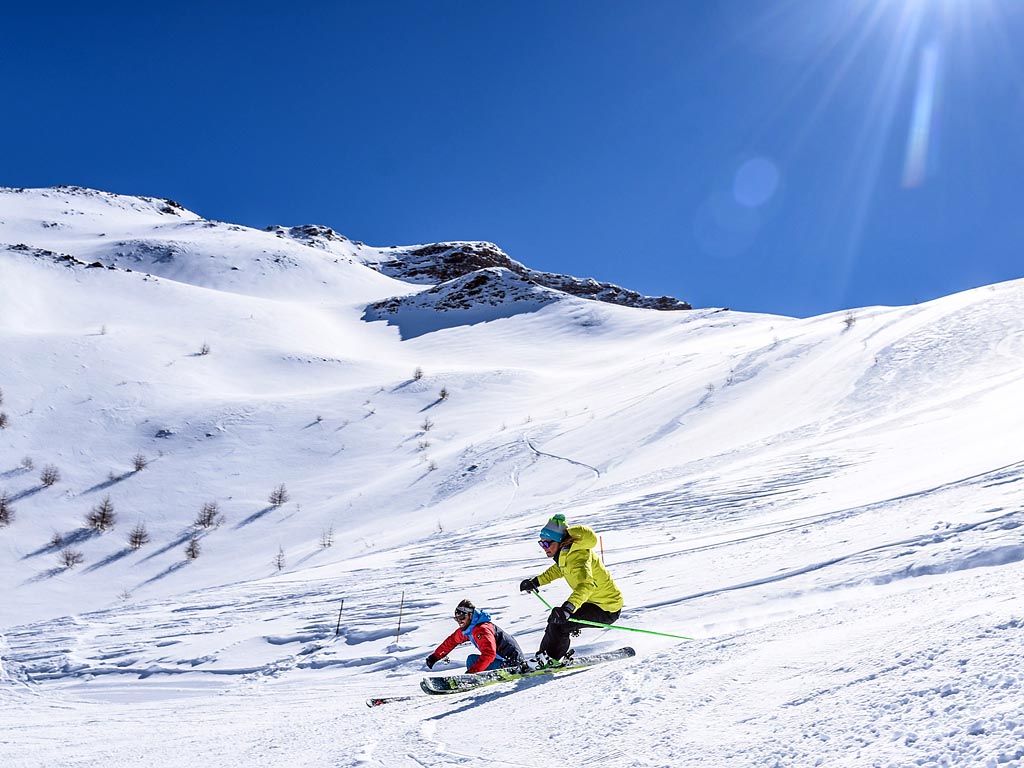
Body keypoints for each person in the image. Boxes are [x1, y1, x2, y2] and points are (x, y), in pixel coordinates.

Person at [518, 513, 623, 667]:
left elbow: (587, 585)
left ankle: (550, 659)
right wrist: (536, 582)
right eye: (541, 544)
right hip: (593, 601)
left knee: (562, 622)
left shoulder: (578, 557)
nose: (544, 548)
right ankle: (545, 657)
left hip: (607, 608)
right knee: (557, 619)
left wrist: (568, 609)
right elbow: (559, 569)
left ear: (559, 541)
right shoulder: (567, 552)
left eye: (546, 544)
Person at [425, 599, 525, 674]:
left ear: (471, 615)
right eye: (457, 619)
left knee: (473, 662)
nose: (459, 621)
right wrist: (435, 656)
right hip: (501, 660)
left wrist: (472, 673)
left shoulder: (482, 629)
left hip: (511, 664)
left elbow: (489, 654)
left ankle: (476, 680)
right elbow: (452, 641)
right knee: (471, 659)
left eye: (462, 617)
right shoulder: (469, 629)